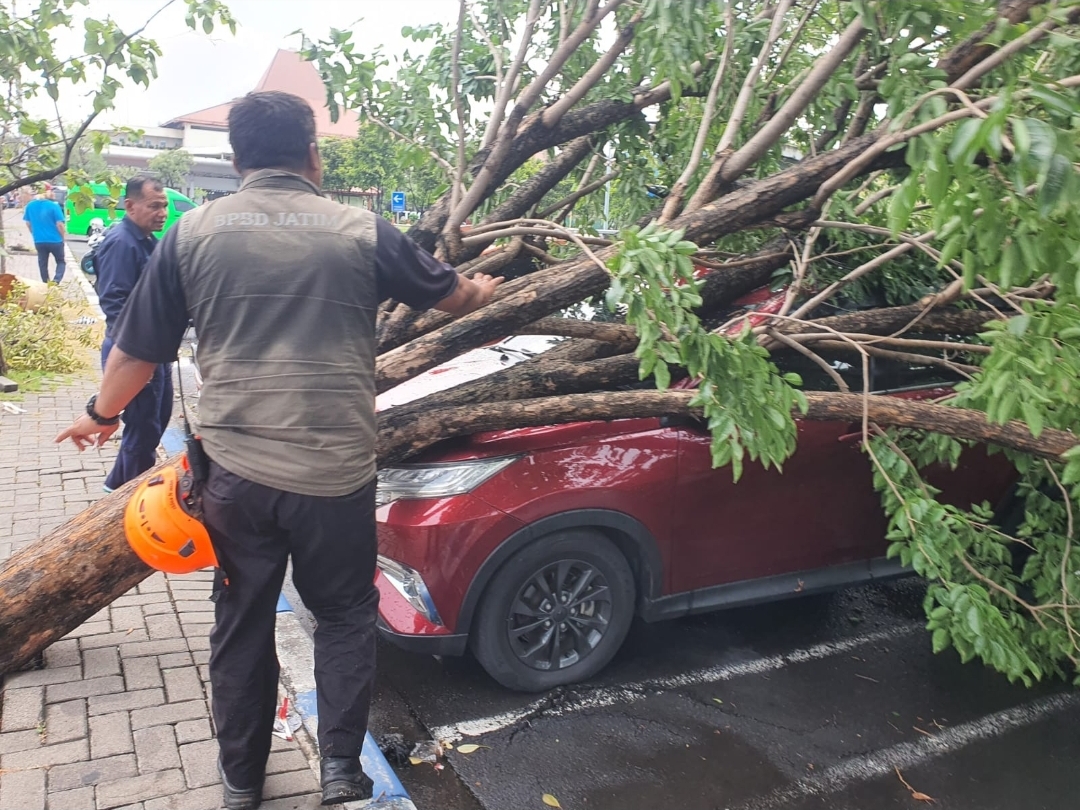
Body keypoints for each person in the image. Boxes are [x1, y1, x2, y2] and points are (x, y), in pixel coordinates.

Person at [56, 90, 503, 810]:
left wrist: (98, 414)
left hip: (235, 479)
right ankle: (339, 770)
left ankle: (241, 783)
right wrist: (482, 289)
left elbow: (138, 352)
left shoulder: (192, 233)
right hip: (336, 476)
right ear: (313, 156)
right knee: (345, 616)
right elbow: (451, 296)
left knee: (241, 623)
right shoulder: (360, 230)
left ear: (237, 160)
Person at [93, 176, 172, 493]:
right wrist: (136, 353)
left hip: (153, 350)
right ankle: (127, 496)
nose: (162, 213)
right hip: (134, 351)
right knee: (142, 429)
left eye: (164, 205)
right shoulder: (122, 243)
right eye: (154, 206)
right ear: (130, 206)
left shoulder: (146, 240)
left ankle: (115, 488)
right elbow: (114, 302)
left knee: (155, 422)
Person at [22, 186, 67, 283]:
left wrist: (34, 233)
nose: (54, 193)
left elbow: (28, 223)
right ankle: (56, 281)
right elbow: (59, 224)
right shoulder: (54, 206)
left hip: (39, 240)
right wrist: (63, 237)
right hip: (55, 240)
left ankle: (45, 283)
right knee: (60, 261)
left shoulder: (30, 206)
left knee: (42, 263)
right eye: (52, 191)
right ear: (46, 192)